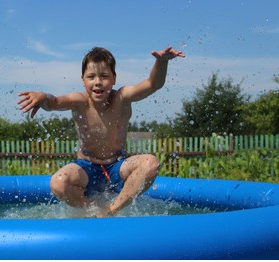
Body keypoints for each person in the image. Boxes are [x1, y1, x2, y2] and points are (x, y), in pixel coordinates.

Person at [18, 46, 184, 217]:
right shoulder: (79, 101)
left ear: (114, 79)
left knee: (151, 163)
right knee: (58, 183)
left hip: (118, 166)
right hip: (87, 168)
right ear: (83, 80)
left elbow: (152, 84)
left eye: (104, 76)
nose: (97, 81)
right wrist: (43, 97)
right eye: (91, 77)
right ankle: (90, 210)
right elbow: (54, 103)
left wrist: (161, 62)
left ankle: (111, 209)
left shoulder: (122, 97)